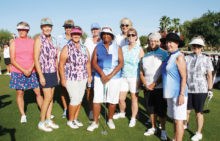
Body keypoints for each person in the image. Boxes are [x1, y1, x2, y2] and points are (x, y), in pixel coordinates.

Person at [87, 27, 123, 131]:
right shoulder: (98, 47)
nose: (106, 36)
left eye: (108, 34)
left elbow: (121, 63)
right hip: (100, 77)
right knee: (97, 99)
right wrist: (103, 74)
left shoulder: (118, 47)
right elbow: (94, 62)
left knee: (112, 99)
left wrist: (110, 75)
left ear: (111, 36)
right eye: (104, 34)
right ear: (102, 35)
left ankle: (110, 119)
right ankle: (95, 122)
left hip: (114, 77)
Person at [9, 22, 43, 123]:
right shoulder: (14, 42)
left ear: (27, 30)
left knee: (38, 92)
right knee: (20, 93)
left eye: (23, 29)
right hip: (18, 72)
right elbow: (12, 60)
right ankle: (23, 115)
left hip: (32, 71)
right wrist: (24, 70)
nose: (21, 31)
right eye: (19, 30)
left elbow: (36, 57)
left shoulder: (33, 42)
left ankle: (44, 111)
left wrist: (30, 68)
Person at [113, 28, 144, 128]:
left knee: (134, 98)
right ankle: (122, 113)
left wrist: (140, 79)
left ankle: (133, 118)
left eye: (133, 35)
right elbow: (119, 62)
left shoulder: (139, 49)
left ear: (136, 37)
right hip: (123, 76)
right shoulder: (123, 48)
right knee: (121, 98)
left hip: (134, 77)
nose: (131, 37)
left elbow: (142, 66)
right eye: (129, 35)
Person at [184, 36, 213, 141]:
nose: (196, 47)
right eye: (194, 46)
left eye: (198, 46)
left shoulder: (207, 59)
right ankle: (185, 124)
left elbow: (209, 75)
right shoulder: (186, 58)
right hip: (188, 88)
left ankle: (198, 132)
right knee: (186, 111)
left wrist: (210, 90)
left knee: (198, 112)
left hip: (201, 90)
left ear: (202, 47)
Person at [140, 32, 168, 140]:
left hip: (159, 87)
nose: (153, 43)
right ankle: (153, 127)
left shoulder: (164, 54)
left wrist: (154, 83)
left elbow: (164, 71)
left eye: (156, 41)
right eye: (151, 41)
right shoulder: (145, 56)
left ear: (159, 42)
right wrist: (145, 84)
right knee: (151, 109)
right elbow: (141, 72)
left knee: (161, 110)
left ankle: (163, 130)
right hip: (147, 87)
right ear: (149, 42)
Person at [34, 18, 59, 132]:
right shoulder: (39, 40)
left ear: (51, 27)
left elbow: (56, 59)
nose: (47, 28)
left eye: (49, 26)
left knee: (51, 98)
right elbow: (35, 59)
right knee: (47, 97)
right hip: (44, 72)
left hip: (53, 72)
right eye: (45, 26)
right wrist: (41, 75)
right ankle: (42, 122)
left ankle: (48, 120)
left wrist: (58, 74)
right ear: (41, 28)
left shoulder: (53, 40)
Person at [161, 33, 188, 141]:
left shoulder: (179, 57)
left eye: (170, 42)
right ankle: (175, 139)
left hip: (178, 94)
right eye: (167, 42)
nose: (168, 44)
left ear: (177, 43)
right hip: (170, 94)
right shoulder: (169, 57)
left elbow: (184, 77)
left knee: (179, 121)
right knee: (174, 120)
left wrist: (181, 94)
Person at [57, 19, 74, 118]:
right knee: (63, 89)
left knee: (72, 89)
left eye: (70, 27)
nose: (68, 29)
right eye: (67, 27)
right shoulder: (60, 38)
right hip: (62, 67)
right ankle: (65, 109)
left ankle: (72, 107)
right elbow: (57, 53)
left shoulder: (76, 37)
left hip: (73, 68)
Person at [84, 23, 101, 120]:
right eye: (93, 29)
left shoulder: (102, 40)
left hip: (99, 70)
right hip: (89, 70)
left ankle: (97, 110)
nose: (94, 31)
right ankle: (91, 110)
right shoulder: (87, 40)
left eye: (96, 29)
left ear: (99, 30)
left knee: (98, 91)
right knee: (89, 90)